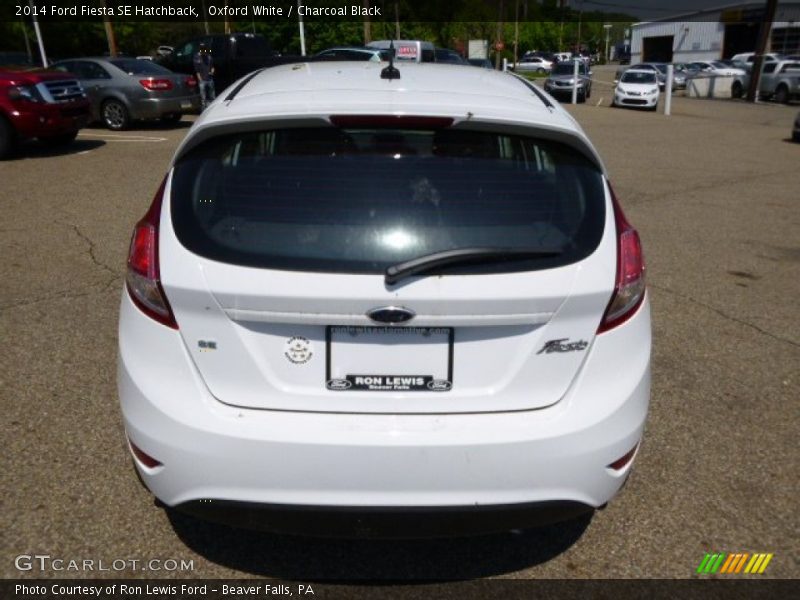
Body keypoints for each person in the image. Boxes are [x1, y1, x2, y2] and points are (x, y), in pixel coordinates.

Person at [193, 42, 215, 110]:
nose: (203, 50)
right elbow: (197, 71)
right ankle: (203, 110)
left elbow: (212, 67)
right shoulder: (197, 57)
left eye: (204, 49)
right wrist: (200, 79)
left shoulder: (209, 57)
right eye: (201, 49)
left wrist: (212, 71)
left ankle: (213, 109)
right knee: (203, 97)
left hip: (210, 79)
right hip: (202, 80)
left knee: (212, 96)